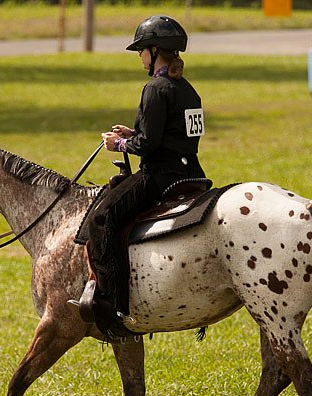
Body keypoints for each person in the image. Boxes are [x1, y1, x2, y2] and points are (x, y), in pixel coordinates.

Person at [81, 15, 207, 339]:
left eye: (141, 51)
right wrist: (135, 132)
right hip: (193, 172)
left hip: (161, 176)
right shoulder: (189, 90)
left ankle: (114, 306)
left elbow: (149, 144)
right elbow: (175, 134)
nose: (140, 57)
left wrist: (119, 143)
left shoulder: (155, 88)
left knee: (102, 218)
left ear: (154, 51)